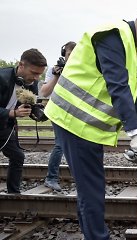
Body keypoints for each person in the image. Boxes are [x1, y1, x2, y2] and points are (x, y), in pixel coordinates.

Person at [43, 4, 137, 240]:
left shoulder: (127, 44)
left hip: (81, 124)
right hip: (74, 121)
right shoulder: (112, 36)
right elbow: (117, 86)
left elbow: (133, 91)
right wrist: (133, 132)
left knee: (89, 188)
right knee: (92, 190)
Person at [0, 48, 47, 193]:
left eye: (39, 74)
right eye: (34, 73)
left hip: (5, 127)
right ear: (21, 65)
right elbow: (13, 111)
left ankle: (14, 194)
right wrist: (13, 113)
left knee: (18, 156)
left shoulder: (31, 84)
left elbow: (29, 105)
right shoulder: (2, 78)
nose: (37, 78)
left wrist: (36, 112)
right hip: (6, 119)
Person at [40, 41, 76, 192]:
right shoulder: (53, 70)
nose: (71, 57)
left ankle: (78, 176)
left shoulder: (80, 69)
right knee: (60, 144)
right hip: (57, 110)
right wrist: (56, 76)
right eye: (69, 54)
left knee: (75, 145)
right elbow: (44, 92)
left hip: (74, 112)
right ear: (64, 54)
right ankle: (51, 178)